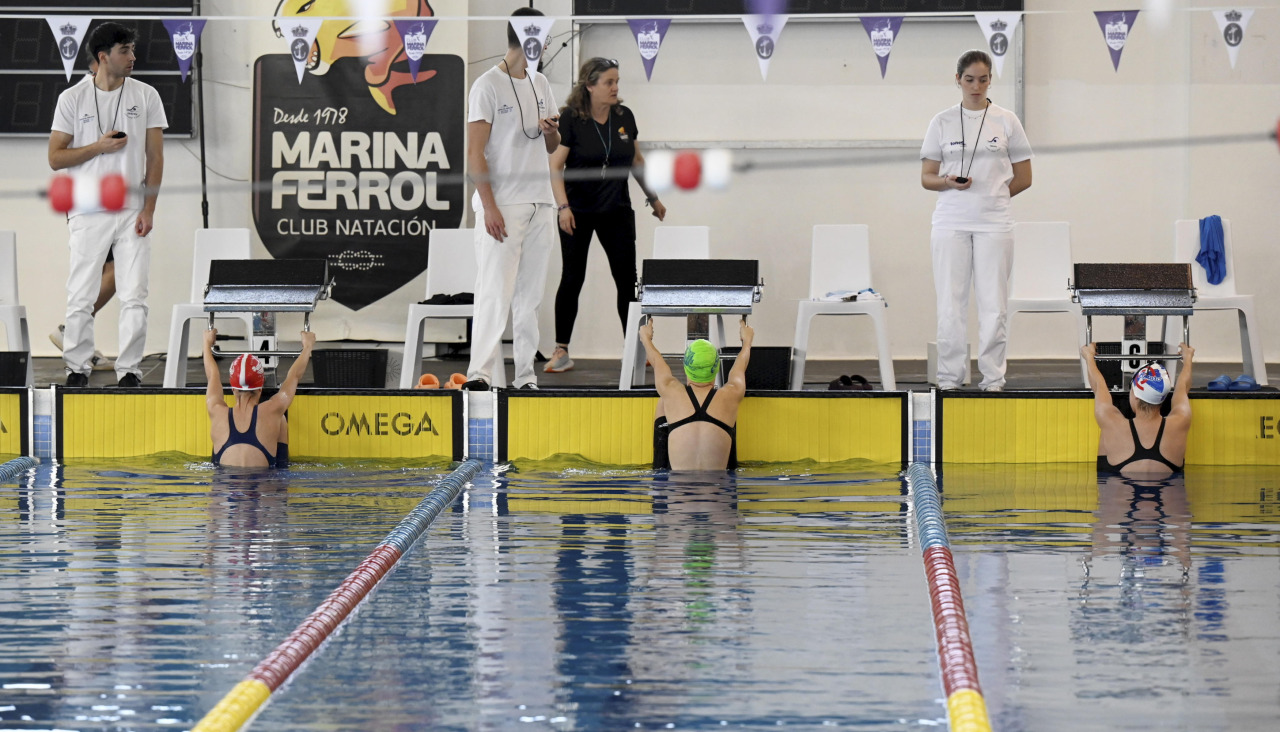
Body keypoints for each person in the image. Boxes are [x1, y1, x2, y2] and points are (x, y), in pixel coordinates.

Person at [48, 22, 166, 387]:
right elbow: (55, 158)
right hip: (87, 207)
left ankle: (129, 370)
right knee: (81, 292)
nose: (133, 57)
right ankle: (76, 368)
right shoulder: (72, 98)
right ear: (103, 57)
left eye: (132, 49)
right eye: (125, 51)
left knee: (135, 293)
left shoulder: (146, 95)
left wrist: (149, 209)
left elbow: (155, 157)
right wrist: (98, 147)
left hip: (132, 208)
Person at [545, 57, 667, 374]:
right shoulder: (571, 118)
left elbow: (636, 162)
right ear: (590, 85)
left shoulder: (624, 116)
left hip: (617, 210)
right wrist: (563, 208)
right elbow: (555, 167)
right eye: (609, 82)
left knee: (627, 282)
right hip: (578, 211)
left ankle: (639, 349)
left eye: (617, 81)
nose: (615, 88)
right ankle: (561, 350)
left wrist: (652, 197)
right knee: (573, 277)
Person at [920, 49, 1032, 392]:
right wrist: (948, 182)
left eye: (983, 79)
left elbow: (1024, 177)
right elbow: (927, 177)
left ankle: (993, 378)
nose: (976, 86)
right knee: (951, 305)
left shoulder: (1007, 120)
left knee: (994, 306)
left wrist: (994, 197)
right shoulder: (941, 121)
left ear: (990, 80)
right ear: (958, 80)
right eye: (969, 79)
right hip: (950, 222)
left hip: (994, 225)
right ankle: (950, 378)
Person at [462, 7, 560, 391]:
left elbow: (552, 145)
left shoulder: (541, 83)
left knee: (530, 298)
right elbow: (475, 153)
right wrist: (488, 206)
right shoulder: (486, 85)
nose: (548, 43)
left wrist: (550, 130)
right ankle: (479, 374)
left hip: (541, 202)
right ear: (528, 38)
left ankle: (524, 377)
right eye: (545, 36)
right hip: (503, 205)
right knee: (494, 291)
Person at [640, 316, 753, 471]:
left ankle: (659, 467)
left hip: (677, 492)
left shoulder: (670, 390)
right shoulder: (732, 393)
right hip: (719, 492)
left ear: (687, 368)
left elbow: (656, 360)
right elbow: (741, 364)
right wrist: (747, 341)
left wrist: (646, 338)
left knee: (663, 402)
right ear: (715, 368)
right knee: (730, 415)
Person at [203, 328, 315, 469]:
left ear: (233, 388)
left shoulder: (216, 410)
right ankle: (281, 463)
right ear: (260, 388)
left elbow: (212, 375)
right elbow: (294, 376)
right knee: (281, 419)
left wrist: (206, 344)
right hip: (263, 486)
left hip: (226, 486)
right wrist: (307, 346)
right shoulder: (273, 410)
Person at [1083, 343, 1193, 480]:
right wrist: (1188, 359)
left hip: (1117, 496)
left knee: (1104, 444)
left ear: (1135, 393)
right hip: (1168, 497)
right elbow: (1183, 387)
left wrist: (1089, 356)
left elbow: (1099, 386)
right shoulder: (1181, 421)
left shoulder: (1111, 421)